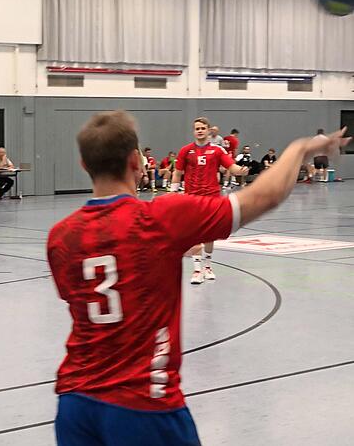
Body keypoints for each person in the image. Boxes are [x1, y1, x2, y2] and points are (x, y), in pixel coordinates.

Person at [47, 110, 348, 446]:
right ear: (137, 161)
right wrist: (301, 148)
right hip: (144, 403)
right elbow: (266, 196)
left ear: (84, 164)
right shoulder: (159, 218)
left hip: (74, 402)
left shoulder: (61, 236)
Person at [171, 117, 248, 284]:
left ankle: (207, 266)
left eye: (202, 128)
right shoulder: (186, 150)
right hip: (192, 198)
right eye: (197, 128)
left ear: (208, 130)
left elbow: (231, 167)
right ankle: (197, 270)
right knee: (195, 233)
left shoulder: (217, 150)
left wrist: (240, 171)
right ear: (194, 131)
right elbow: (177, 173)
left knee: (209, 234)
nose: (199, 130)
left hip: (211, 198)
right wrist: (173, 192)